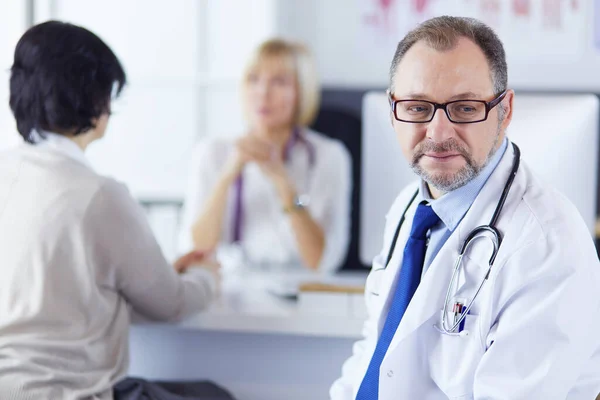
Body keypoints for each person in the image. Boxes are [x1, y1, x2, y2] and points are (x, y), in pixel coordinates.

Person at [331, 16, 600, 399]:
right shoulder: (411, 206)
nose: (438, 133)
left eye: (464, 108)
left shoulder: (548, 244)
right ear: (393, 111)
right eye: (418, 107)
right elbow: (375, 355)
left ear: (504, 112)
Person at [0, 21, 233, 400]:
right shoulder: (99, 194)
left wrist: (162, 270)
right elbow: (171, 304)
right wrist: (206, 276)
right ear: (96, 101)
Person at [179, 39, 352, 273]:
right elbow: (196, 250)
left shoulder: (329, 156)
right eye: (253, 79)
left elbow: (320, 261)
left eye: (279, 82)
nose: (262, 92)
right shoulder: (212, 153)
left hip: (300, 296)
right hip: (230, 294)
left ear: (301, 92)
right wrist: (227, 175)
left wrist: (284, 184)